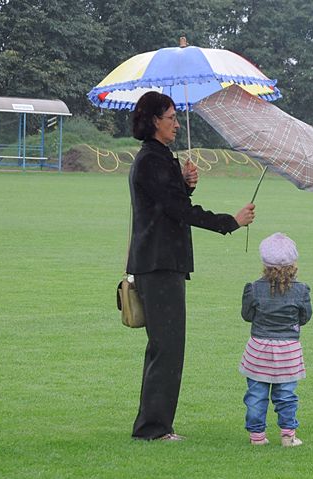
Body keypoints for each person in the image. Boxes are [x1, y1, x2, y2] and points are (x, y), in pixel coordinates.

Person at [127, 91, 255, 441]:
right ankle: (153, 428)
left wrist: (183, 184)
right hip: (159, 264)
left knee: (165, 346)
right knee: (167, 348)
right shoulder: (152, 160)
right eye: (171, 118)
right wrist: (231, 221)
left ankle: (154, 425)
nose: (177, 124)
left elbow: (168, 203)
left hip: (161, 262)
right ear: (155, 121)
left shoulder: (159, 158)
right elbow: (179, 211)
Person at [239, 233, 312, 447]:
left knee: (256, 394)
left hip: (258, 349)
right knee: (286, 394)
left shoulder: (253, 288)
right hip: (288, 350)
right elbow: (305, 317)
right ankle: (288, 435)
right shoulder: (301, 290)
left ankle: (257, 436)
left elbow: (247, 315)